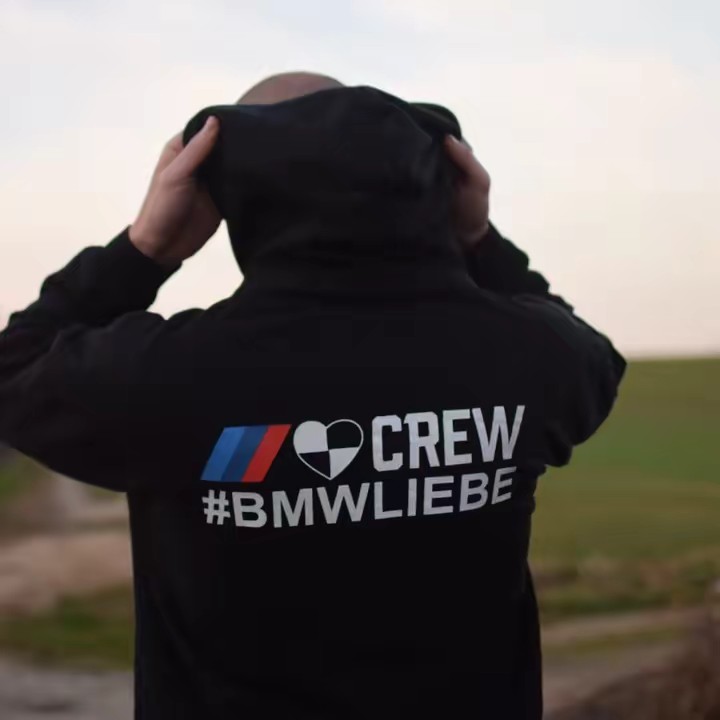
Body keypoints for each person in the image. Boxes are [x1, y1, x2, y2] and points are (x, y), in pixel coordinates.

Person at [0, 72, 626, 719]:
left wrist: (145, 249)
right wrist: (479, 243)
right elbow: (593, 357)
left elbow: (13, 370)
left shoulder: (166, 373)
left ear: (227, 190)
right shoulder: (525, 356)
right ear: (437, 183)